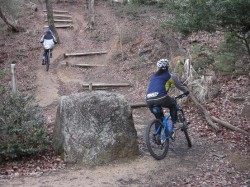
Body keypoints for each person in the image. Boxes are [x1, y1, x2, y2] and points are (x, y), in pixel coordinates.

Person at [146, 59, 189, 132]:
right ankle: (174, 123)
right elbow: (179, 86)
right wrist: (186, 91)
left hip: (149, 99)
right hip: (161, 97)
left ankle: (158, 136)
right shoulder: (170, 75)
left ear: (158, 67)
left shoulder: (153, 76)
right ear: (168, 66)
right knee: (173, 105)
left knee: (159, 117)